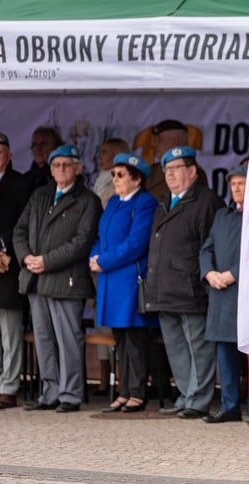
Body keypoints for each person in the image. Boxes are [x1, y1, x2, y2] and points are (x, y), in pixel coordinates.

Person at [14, 144, 102, 412]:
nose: (61, 169)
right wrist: (26, 257)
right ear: (50, 169)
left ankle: (70, 394)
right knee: (44, 338)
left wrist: (45, 261)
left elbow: (82, 242)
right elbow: (20, 230)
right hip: (36, 279)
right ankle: (49, 392)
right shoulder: (40, 195)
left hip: (67, 280)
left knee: (68, 339)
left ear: (78, 168)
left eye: (66, 165)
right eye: (56, 165)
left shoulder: (88, 200)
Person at [144, 146, 224, 418]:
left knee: (197, 347)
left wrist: (204, 281)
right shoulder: (164, 201)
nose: (171, 174)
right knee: (176, 347)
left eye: (177, 169)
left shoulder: (207, 202)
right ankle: (186, 395)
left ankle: (198, 400)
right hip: (164, 289)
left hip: (191, 289)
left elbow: (211, 247)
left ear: (192, 171)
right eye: (167, 169)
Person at [200, 165, 249, 425]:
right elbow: (206, 248)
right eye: (233, 184)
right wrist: (209, 273)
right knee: (225, 352)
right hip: (221, 292)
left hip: (248, 294)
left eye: (241, 183)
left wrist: (233, 274)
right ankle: (230, 405)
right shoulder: (222, 215)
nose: (236, 188)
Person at [89, 153, 159, 413]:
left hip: (129, 281)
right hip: (111, 280)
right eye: (113, 175)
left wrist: (104, 260)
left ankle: (138, 392)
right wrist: (94, 256)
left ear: (137, 178)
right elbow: (100, 236)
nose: (115, 179)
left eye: (120, 175)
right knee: (120, 338)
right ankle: (124, 389)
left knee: (135, 339)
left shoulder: (145, 203)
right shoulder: (114, 203)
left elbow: (136, 243)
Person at [89, 137, 131, 396]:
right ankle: (104, 377)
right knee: (100, 321)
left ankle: (121, 380)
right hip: (100, 264)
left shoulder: (117, 184)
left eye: (105, 152)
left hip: (116, 266)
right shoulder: (100, 178)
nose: (100, 156)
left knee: (119, 326)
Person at [0, 133, 31, 409]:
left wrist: (1, 247)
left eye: (0, 152)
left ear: (9, 156)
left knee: (10, 332)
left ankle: (8, 386)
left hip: (8, 265)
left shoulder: (21, 183)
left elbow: (24, 224)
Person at [145, 119, 208, 201]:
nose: (155, 145)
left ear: (174, 141)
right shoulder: (151, 171)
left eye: (159, 140)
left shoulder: (193, 173)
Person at [25, 126, 63, 190]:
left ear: (55, 147)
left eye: (43, 144)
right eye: (34, 144)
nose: (38, 148)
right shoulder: (25, 180)